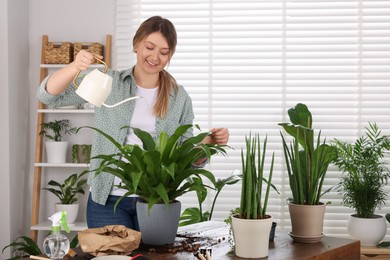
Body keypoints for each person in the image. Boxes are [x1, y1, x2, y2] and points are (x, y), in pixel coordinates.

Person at [37, 16, 229, 231]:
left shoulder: (179, 96)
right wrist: (74, 66)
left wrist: (209, 143)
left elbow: (187, 157)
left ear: (170, 56)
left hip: (155, 202)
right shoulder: (109, 81)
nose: (155, 57)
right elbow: (49, 96)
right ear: (136, 44)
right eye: (150, 47)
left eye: (164, 52)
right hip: (107, 200)